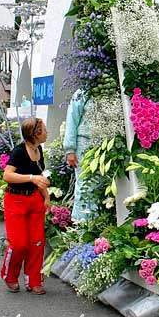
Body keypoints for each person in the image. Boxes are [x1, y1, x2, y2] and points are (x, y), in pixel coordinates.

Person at [1, 117, 51, 295]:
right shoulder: (19, 152)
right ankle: (10, 276)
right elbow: (7, 175)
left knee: (37, 242)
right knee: (19, 244)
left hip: (34, 199)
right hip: (15, 200)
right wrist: (31, 178)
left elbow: (40, 176)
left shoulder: (38, 150)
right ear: (36, 133)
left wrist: (46, 197)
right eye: (44, 129)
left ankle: (34, 280)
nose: (47, 132)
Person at [63, 89, 93, 221]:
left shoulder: (110, 89)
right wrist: (70, 150)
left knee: (100, 185)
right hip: (84, 144)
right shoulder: (82, 93)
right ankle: (81, 225)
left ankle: (98, 224)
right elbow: (72, 119)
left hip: (104, 144)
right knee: (85, 185)